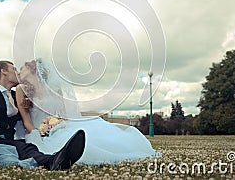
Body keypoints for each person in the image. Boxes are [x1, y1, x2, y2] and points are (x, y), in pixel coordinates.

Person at [15, 59, 159, 165]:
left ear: (32, 69)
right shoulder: (22, 90)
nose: (19, 69)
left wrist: (57, 125)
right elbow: (27, 121)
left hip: (58, 126)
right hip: (36, 131)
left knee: (90, 133)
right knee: (62, 145)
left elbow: (63, 114)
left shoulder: (54, 88)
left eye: (23, 67)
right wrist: (40, 133)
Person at [0, 60, 85, 170]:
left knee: (27, 147)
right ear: (4, 71)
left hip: (2, 141)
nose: (17, 72)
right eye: (14, 69)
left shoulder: (15, 97)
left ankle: (53, 161)